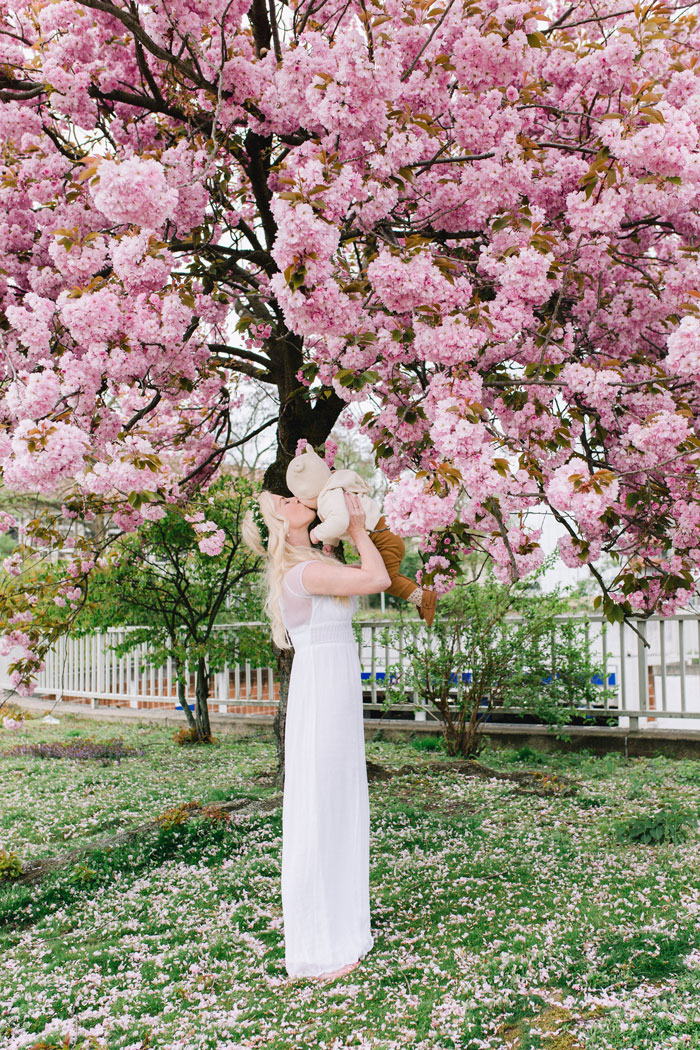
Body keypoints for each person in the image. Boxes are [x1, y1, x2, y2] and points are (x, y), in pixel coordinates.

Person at [241, 489, 390, 983]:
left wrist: (342, 532)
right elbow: (377, 578)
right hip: (323, 692)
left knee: (338, 805)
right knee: (323, 810)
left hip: (332, 688)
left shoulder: (313, 563)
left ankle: (342, 922)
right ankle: (320, 943)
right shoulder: (302, 573)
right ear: (282, 520)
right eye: (286, 499)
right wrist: (356, 529)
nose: (296, 497)